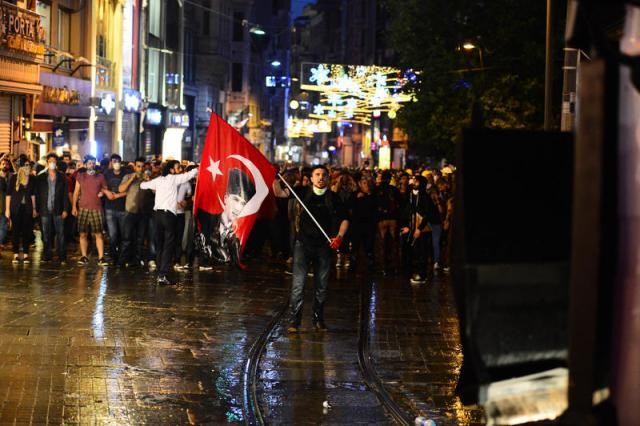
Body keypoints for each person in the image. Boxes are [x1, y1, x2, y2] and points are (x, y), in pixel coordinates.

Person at [273, 165, 349, 332]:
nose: (320, 177)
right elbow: (280, 193)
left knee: (321, 286)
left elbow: (345, 219)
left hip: (323, 246)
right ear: (312, 178)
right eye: (317, 174)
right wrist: (276, 177)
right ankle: (295, 321)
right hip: (303, 245)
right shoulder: (302, 192)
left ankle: (318, 319)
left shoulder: (334, 198)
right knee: (298, 285)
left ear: (329, 178)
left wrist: (339, 237)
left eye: (323, 175)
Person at [140, 160, 198, 285]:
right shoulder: (173, 179)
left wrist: (148, 181)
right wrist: (199, 168)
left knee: (159, 244)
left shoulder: (159, 180)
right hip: (168, 215)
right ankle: (162, 274)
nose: (179, 169)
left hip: (157, 215)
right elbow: (189, 175)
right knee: (168, 245)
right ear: (171, 169)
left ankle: (160, 273)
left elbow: (142, 186)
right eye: (177, 167)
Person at [196, 167, 255, 267]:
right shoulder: (208, 221)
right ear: (225, 198)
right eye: (236, 199)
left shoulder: (241, 232)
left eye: (243, 203)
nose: (238, 207)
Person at [72, 155, 109, 266]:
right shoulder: (80, 176)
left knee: (98, 234)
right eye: (89, 163)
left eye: (93, 163)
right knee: (82, 234)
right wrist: (74, 206)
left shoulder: (100, 176)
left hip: (96, 208)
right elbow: (76, 192)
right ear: (85, 164)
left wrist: (102, 193)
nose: (91, 165)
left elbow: (105, 189)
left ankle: (101, 258)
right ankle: (84, 256)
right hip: (83, 208)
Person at [34, 153, 70, 263]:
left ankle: (62, 256)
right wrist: (37, 208)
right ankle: (47, 255)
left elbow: (65, 194)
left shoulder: (61, 177)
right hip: (45, 209)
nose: (52, 163)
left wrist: (65, 209)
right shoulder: (41, 177)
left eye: (54, 161)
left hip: (58, 209)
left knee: (61, 234)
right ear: (47, 162)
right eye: (50, 161)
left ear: (56, 163)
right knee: (46, 234)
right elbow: (37, 194)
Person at [5, 155, 36, 263]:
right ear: (22, 166)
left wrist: (34, 209)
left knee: (27, 231)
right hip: (16, 208)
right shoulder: (14, 178)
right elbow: (8, 195)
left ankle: (26, 254)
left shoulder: (32, 178)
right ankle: (16, 254)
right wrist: (7, 210)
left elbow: (33, 195)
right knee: (16, 231)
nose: (29, 167)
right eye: (26, 165)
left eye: (29, 165)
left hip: (27, 208)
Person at [103, 153, 129, 266]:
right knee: (113, 235)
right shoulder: (106, 173)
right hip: (109, 208)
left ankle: (122, 258)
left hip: (123, 208)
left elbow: (130, 189)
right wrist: (107, 192)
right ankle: (113, 257)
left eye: (118, 162)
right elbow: (102, 186)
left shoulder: (126, 173)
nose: (116, 164)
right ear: (111, 163)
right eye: (114, 162)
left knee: (124, 235)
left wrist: (117, 195)